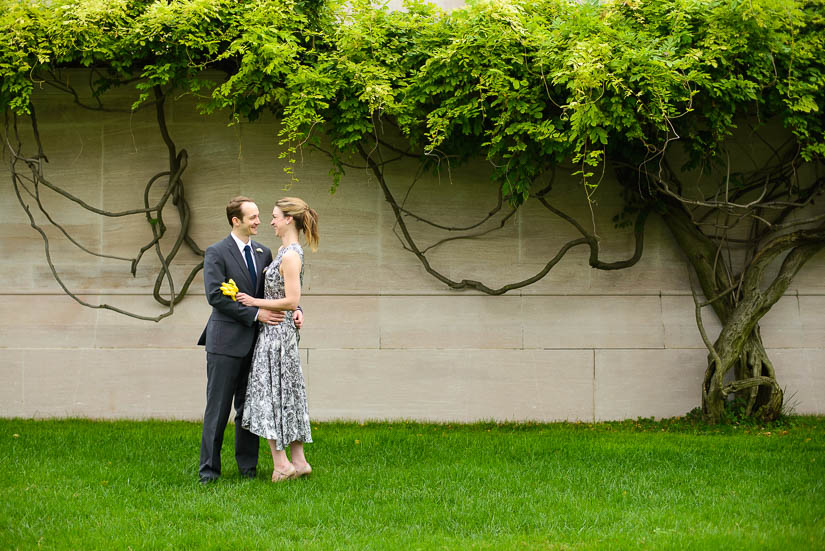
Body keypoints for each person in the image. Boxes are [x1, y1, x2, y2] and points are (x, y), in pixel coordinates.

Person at [197, 196, 304, 484]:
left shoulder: (263, 252)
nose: (259, 221)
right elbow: (215, 296)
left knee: (248, 409)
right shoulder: (216, 252)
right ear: (236, 221)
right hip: (225, 343)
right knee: (217, 410)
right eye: (253, 217)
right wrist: (255, 315)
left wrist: (297, 310)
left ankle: (248, 470)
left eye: (260, 216)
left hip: (257, 346)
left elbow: (276, 291)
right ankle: (208, 472)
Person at [237, 197, 319, 482]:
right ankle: (298, 461)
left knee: (270, 395)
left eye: (274, 216)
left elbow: (292, 298)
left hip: (276, 337)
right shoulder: (284, 251)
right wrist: (295, 312)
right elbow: (291, 302)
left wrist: (253, 302)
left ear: (288, 220)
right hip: (277, 333)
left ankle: (282, 465)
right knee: (285, 394)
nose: (270, 221)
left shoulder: (291, 255)